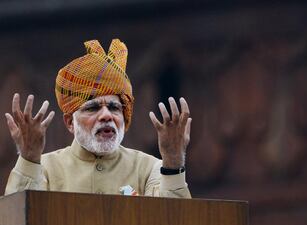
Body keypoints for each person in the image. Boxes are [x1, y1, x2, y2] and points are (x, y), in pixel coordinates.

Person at [4, 39, 192, 198]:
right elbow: (17, 217)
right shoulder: (46, 168)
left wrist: (173, 161)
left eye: (114, 108)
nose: (106, 116)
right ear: (70, 122)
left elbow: (174, 218)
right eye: (93, 108)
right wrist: (28, 158)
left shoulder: (149, 168)